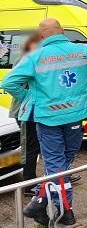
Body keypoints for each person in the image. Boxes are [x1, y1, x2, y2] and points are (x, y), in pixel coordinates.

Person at [1, 18, 87, 226]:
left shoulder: (35, 57)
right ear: (62, 31)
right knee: (62, 163)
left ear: (43, 35)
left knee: (56, 166)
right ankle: (49, 206)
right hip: (76, 116)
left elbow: (9, 82)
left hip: (48, 119)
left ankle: (57, 209)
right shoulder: (83, 50)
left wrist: (29, 98)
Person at [8, 33, 42, 184]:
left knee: (37, 143)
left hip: (31, 110)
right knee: (30, 145)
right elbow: (12, 84)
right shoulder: (26, 60)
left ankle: (53, 175)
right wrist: (28, 97)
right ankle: (29, 182)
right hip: (24, 112)